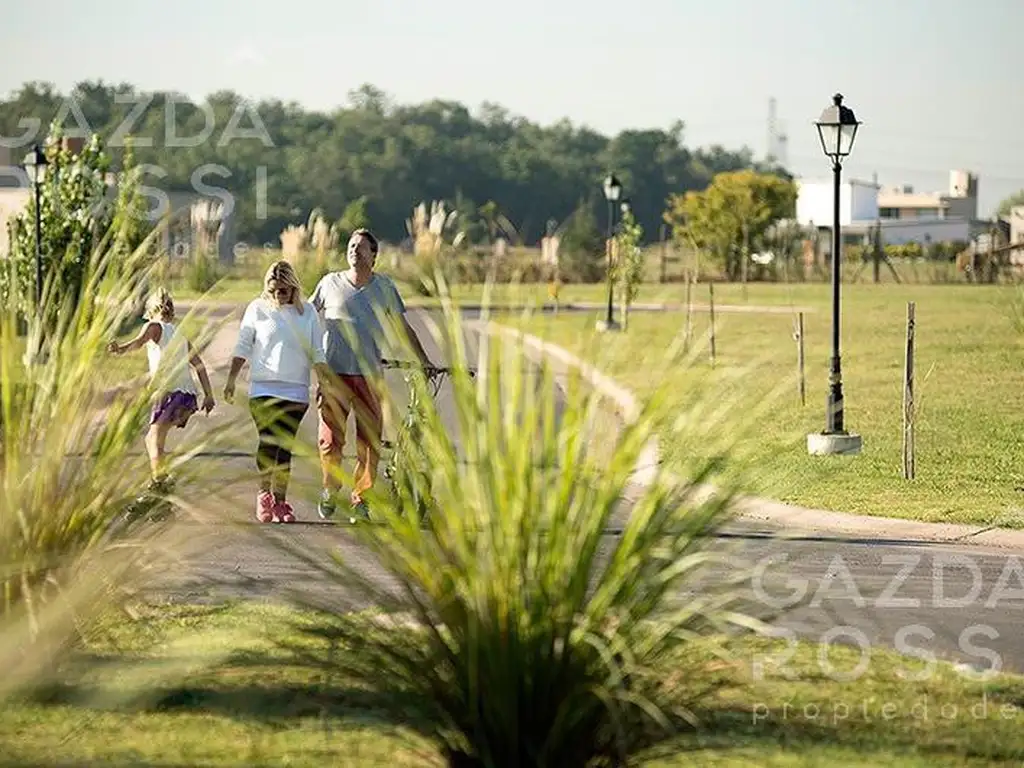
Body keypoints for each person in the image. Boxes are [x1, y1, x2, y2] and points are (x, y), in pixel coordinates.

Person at [310, 228, 435, 519]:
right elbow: (306, 318)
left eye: (362, 248)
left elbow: (402, 328)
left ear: (374, 257)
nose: (355, 251)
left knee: (369, 441)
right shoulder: (329, 283)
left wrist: (423, 360)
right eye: (352, 246)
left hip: (368, 375)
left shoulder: (384, 288)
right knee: (330, 438)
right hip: (334, 374)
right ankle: (330, 488)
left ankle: (361, 498)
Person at [223, 260, 330, 524]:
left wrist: (324, 385)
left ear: (293, 288)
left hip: (295, 391)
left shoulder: (307, 315)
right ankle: (264, 496)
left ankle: (281, 502)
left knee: (284, 447)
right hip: (263, 388)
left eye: (283, 290)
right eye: (273, 290)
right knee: (269, 441)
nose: (278, 295)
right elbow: (243, 346)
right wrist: (231, 380)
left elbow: (318, 351)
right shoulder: (257, 310)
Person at [108, 288, 215, 491]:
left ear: (150, 310)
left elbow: (138, 343)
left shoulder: (153, 326)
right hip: (186, 397)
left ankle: (161, 483)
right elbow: (199, 364)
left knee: (154, 440)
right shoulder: (180, 335)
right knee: (152, 439)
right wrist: (209, 395)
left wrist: (119, 349)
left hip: (168, 393)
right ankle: (161, 480)